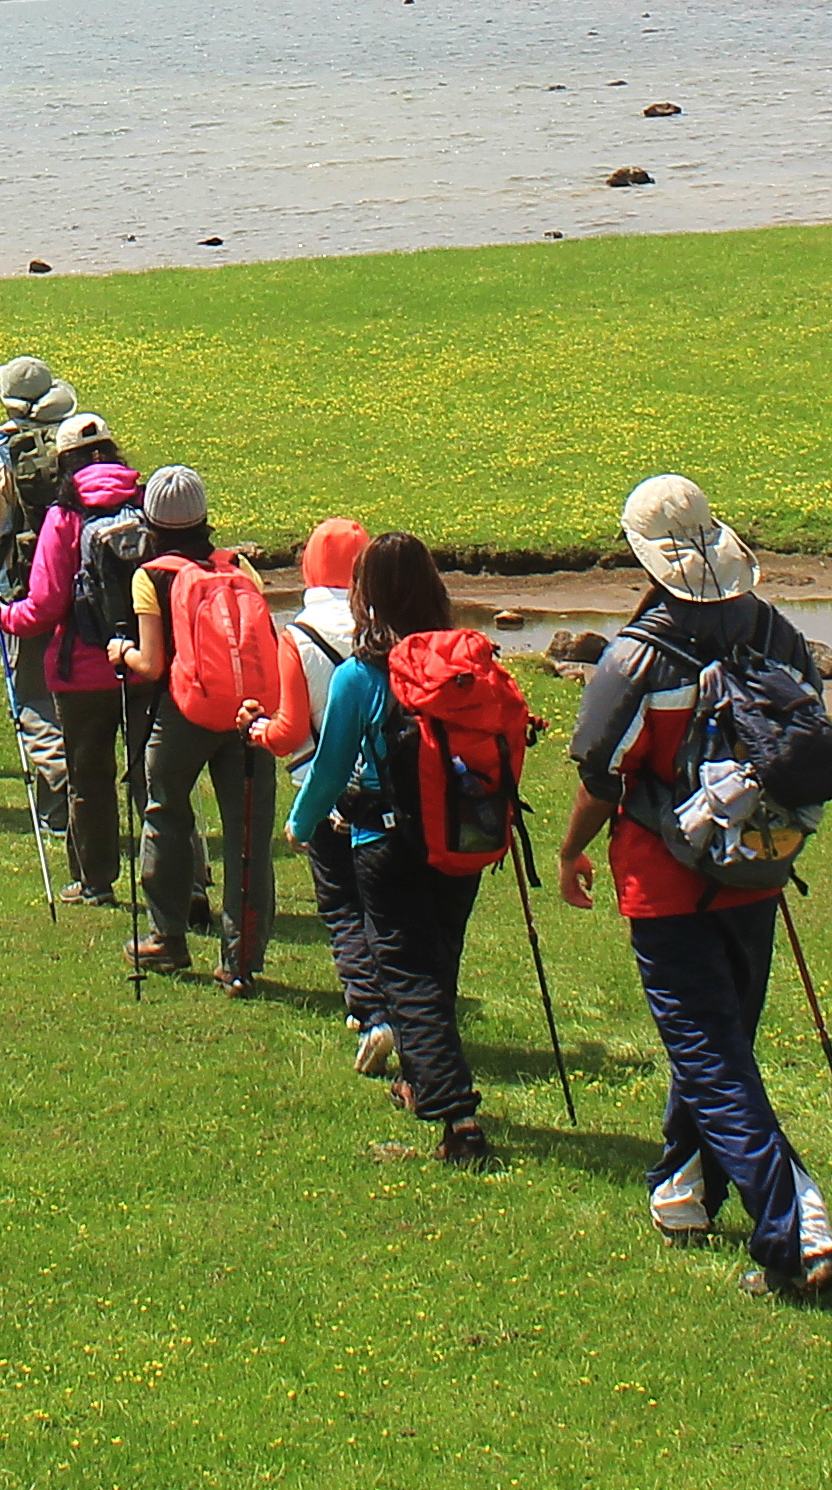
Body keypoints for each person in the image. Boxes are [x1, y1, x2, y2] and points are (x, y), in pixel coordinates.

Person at [564, 475, 832, 1306]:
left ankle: (797, 1230)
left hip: (665, 883)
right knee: (721, 1046)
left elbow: (599, 771)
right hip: (758, 869)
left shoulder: (637, 654)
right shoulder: (776, 632)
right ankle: (681, 1192)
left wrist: (573, 850)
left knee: (711, 1059)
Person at [291, 530, 513, 1164]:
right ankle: (420, 1081)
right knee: (438, 959)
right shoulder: (470, 664)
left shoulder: (363, 674)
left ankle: (458, 1119)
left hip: (384, 839)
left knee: (407, 973)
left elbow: (331, 767)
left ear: (366, 596)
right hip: (461, 835)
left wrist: (302, 825)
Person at [123, 469, 285, 988]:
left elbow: (150, 664)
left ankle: (166, 939)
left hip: (184, 712)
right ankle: (241, 962)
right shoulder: (238, 567)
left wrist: (119, 652)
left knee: (166, 815)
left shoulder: (151, 575)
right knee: (249, 840)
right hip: (249, 715)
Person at [0, 420, 142, 906]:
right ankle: (184, 882)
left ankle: (95, 881)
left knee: (89, 776)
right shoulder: (142, 501)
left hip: (82, 670)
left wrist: (3, 615)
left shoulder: (65, 515)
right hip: (146, 662)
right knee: (154, 778)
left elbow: (44, 606)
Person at [279, 518, 390, 1072]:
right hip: (388, 789)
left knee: (340, 904)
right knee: (381, 902)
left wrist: (258, 729)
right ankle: (394, 998)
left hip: (323, 788)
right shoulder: (387, 628)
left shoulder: (296, 636)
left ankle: (370, 1009)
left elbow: (290, 732)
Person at [0, 362, 84, 853]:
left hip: (26, 593)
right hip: (91, 589)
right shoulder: (82, 444)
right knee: (80, 704)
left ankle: (68, 801)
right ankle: (71, 805)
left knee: (34, 705)